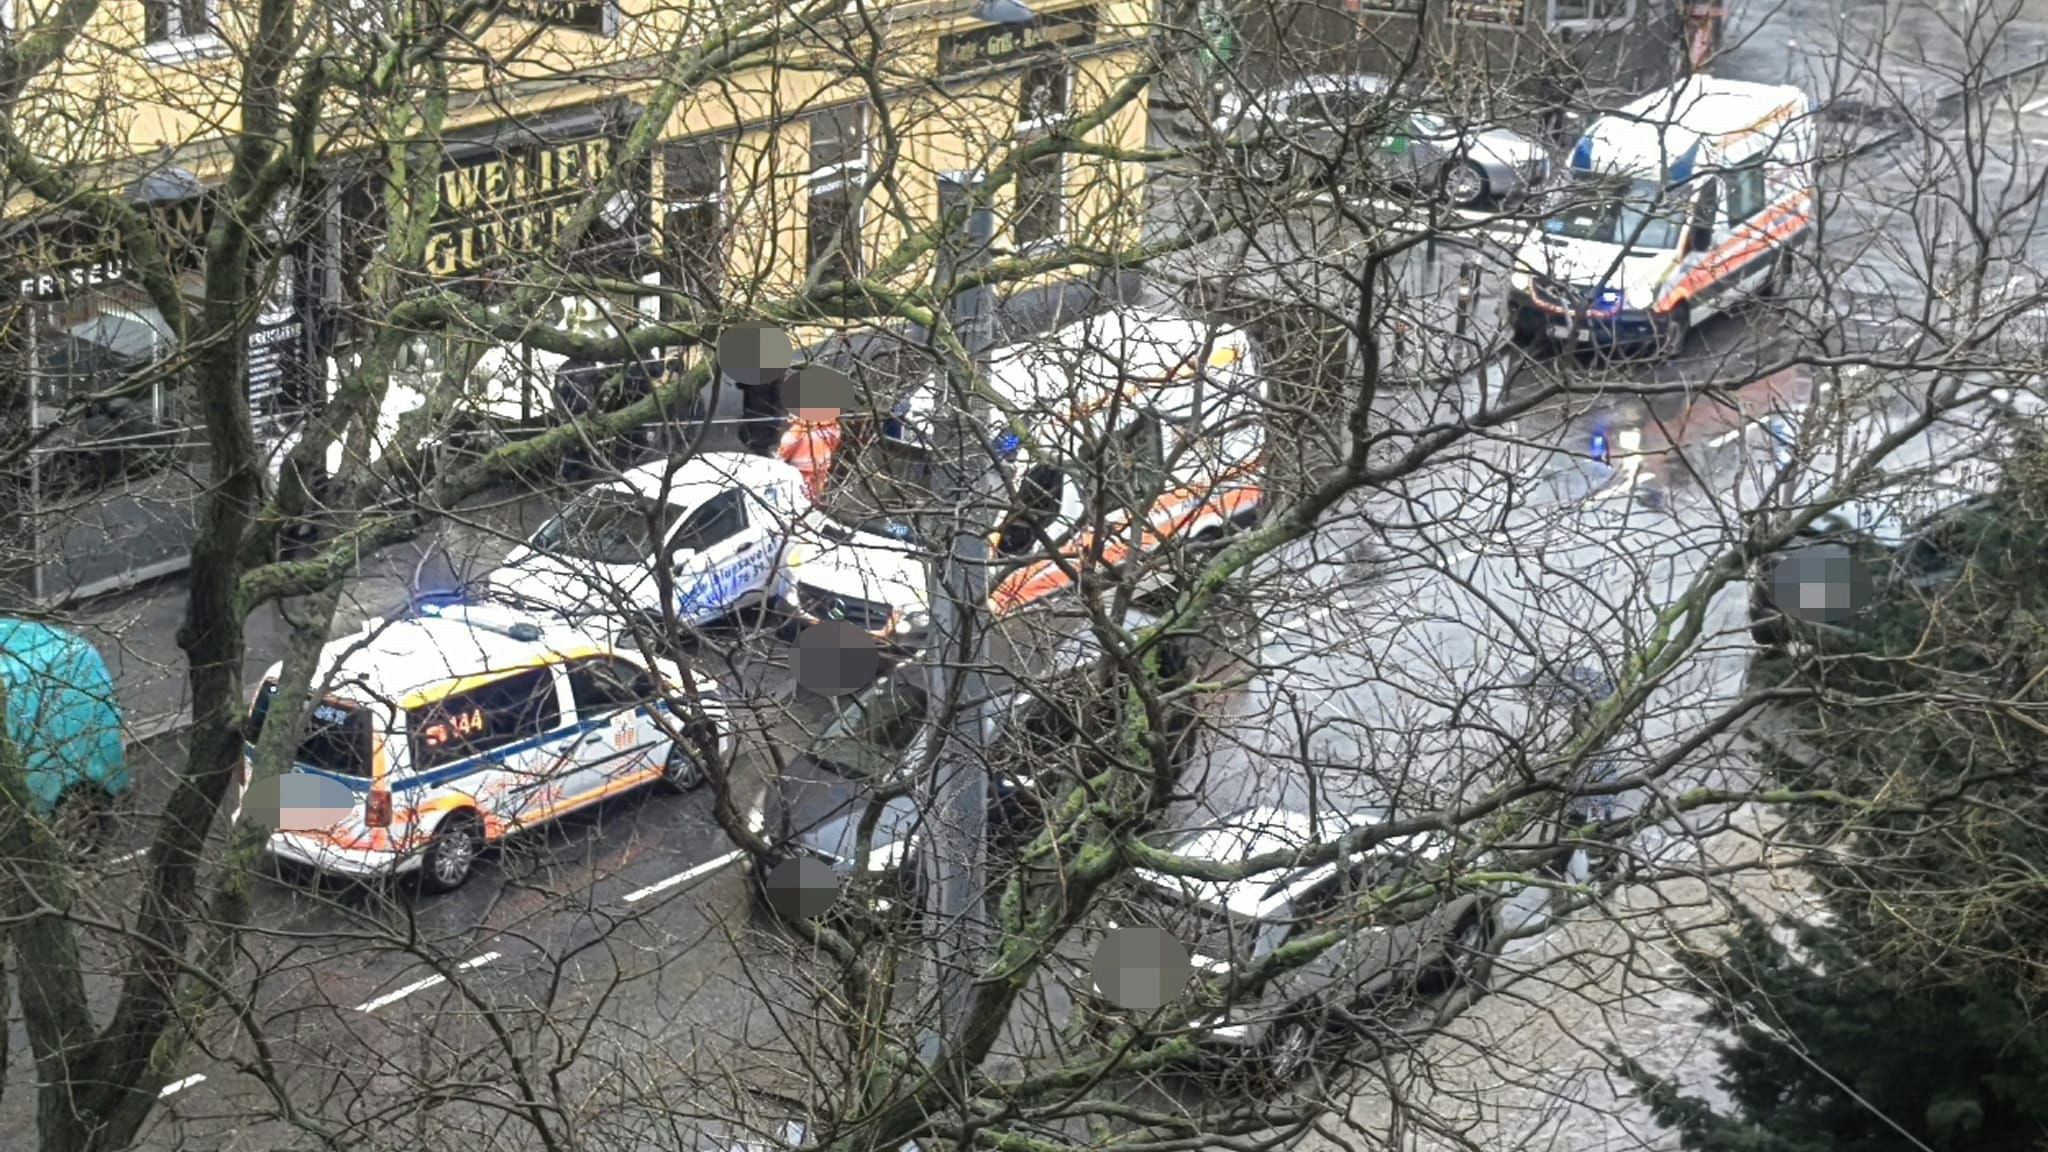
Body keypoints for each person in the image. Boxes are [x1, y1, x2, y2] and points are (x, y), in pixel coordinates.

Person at [1537, 30, 1584, 150]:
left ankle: (1544, 138)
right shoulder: (1568, 51)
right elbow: (1575, 70)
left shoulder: (1558, 50)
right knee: (1555, 116)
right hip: (1558, 90)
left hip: (1555, 90)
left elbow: (1573, 70)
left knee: (1550, 115)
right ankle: (1552, 139)